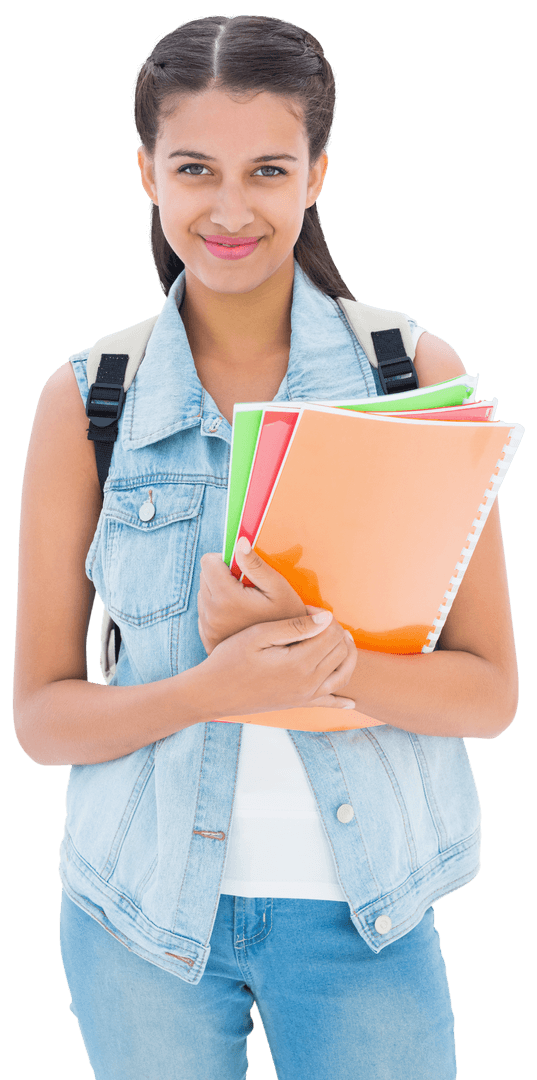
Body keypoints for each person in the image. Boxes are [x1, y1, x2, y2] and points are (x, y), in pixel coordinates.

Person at [13, 14, 518, 1080]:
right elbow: (44, 718)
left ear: (317, 175)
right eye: (195, 167)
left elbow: (488, 694)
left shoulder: (409, 371)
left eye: (269, 169)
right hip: (140, 926)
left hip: (368, 927)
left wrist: (330, 665)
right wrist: (211, 688)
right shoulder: (86, 402)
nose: (231, 209)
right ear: (148, 173)